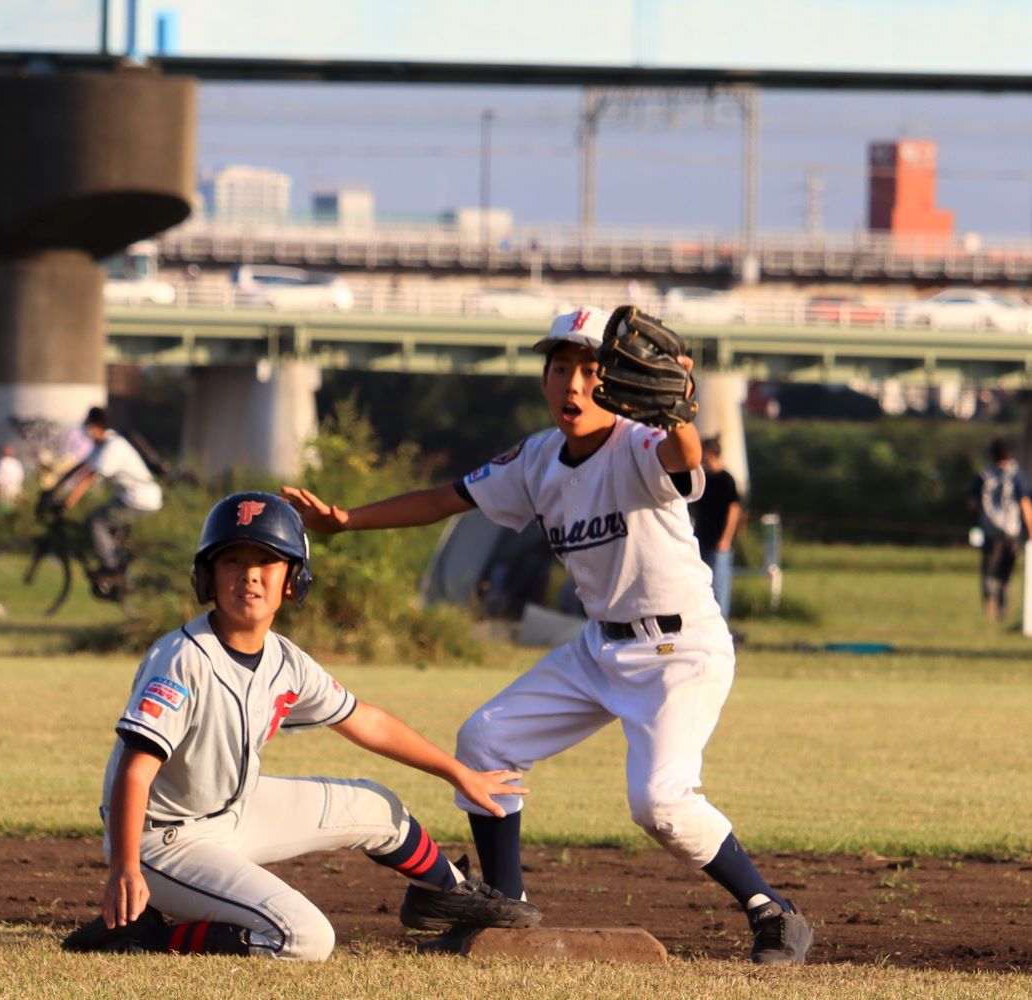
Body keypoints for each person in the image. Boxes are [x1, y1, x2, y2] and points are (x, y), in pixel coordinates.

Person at [284, 307, 814, 965]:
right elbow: (447, 499)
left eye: (591, 369)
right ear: (542, 379)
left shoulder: (639, 444)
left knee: (660, 805)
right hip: (601, 648)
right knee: (487, 739)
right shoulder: (536, 458)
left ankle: (774, 912)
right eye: (559, 367)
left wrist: (676, 414)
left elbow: (683, 458)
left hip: (682, 650)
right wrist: (346, 521)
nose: (572, 383)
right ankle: (506, 913)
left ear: (618, 382)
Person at [62, 492, 539, 957]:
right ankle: (143, 936)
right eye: (233, 562)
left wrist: (460, 773)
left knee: (376, 805)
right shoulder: (183, 658)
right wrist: (126, 867)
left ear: (293, 580)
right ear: (207, 576)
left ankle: (453, 894)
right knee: (305, 938)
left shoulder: (285, 660)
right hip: (162, 841)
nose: (249, 576)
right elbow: (135, 770)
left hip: (231, 813)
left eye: (266, 562)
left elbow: (366, 721)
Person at [58, 406, 163, 590]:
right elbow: (80, 466)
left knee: (96, 522)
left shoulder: (113, 447)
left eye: (89, 427)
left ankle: (111, 568)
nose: (87, 432)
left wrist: (68, 502)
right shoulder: (102, 445)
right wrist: (55, 487)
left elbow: (90, 477)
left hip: (140, 498)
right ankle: (118, 568)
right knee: (108, 526)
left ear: (97, 427)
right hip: (130, 497)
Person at [970, 437, 1032, 622]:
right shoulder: (1016, 476)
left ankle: (988, 603)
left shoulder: (983, 476)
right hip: (1011, 532)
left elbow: (972, 504)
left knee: (988, 571)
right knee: (1006, 574)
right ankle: (1002, 610)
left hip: (990, 532)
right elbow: (1024, 504)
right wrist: (1030, 529)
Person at [690, 436, 742, 619]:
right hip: (701, 538)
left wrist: (726, 539)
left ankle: (721, 623)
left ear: (712, 453)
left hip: (719, 541)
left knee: (719, 585)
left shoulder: (726, 479)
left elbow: (734, 510)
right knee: (701, 584)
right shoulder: (702, 478)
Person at [0, 445, 26, 509]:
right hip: (9, 488)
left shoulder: (13, 463)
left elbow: (20, 475)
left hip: (12, 488)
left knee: (11, 505)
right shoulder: (4, 462)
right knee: (8, 505)